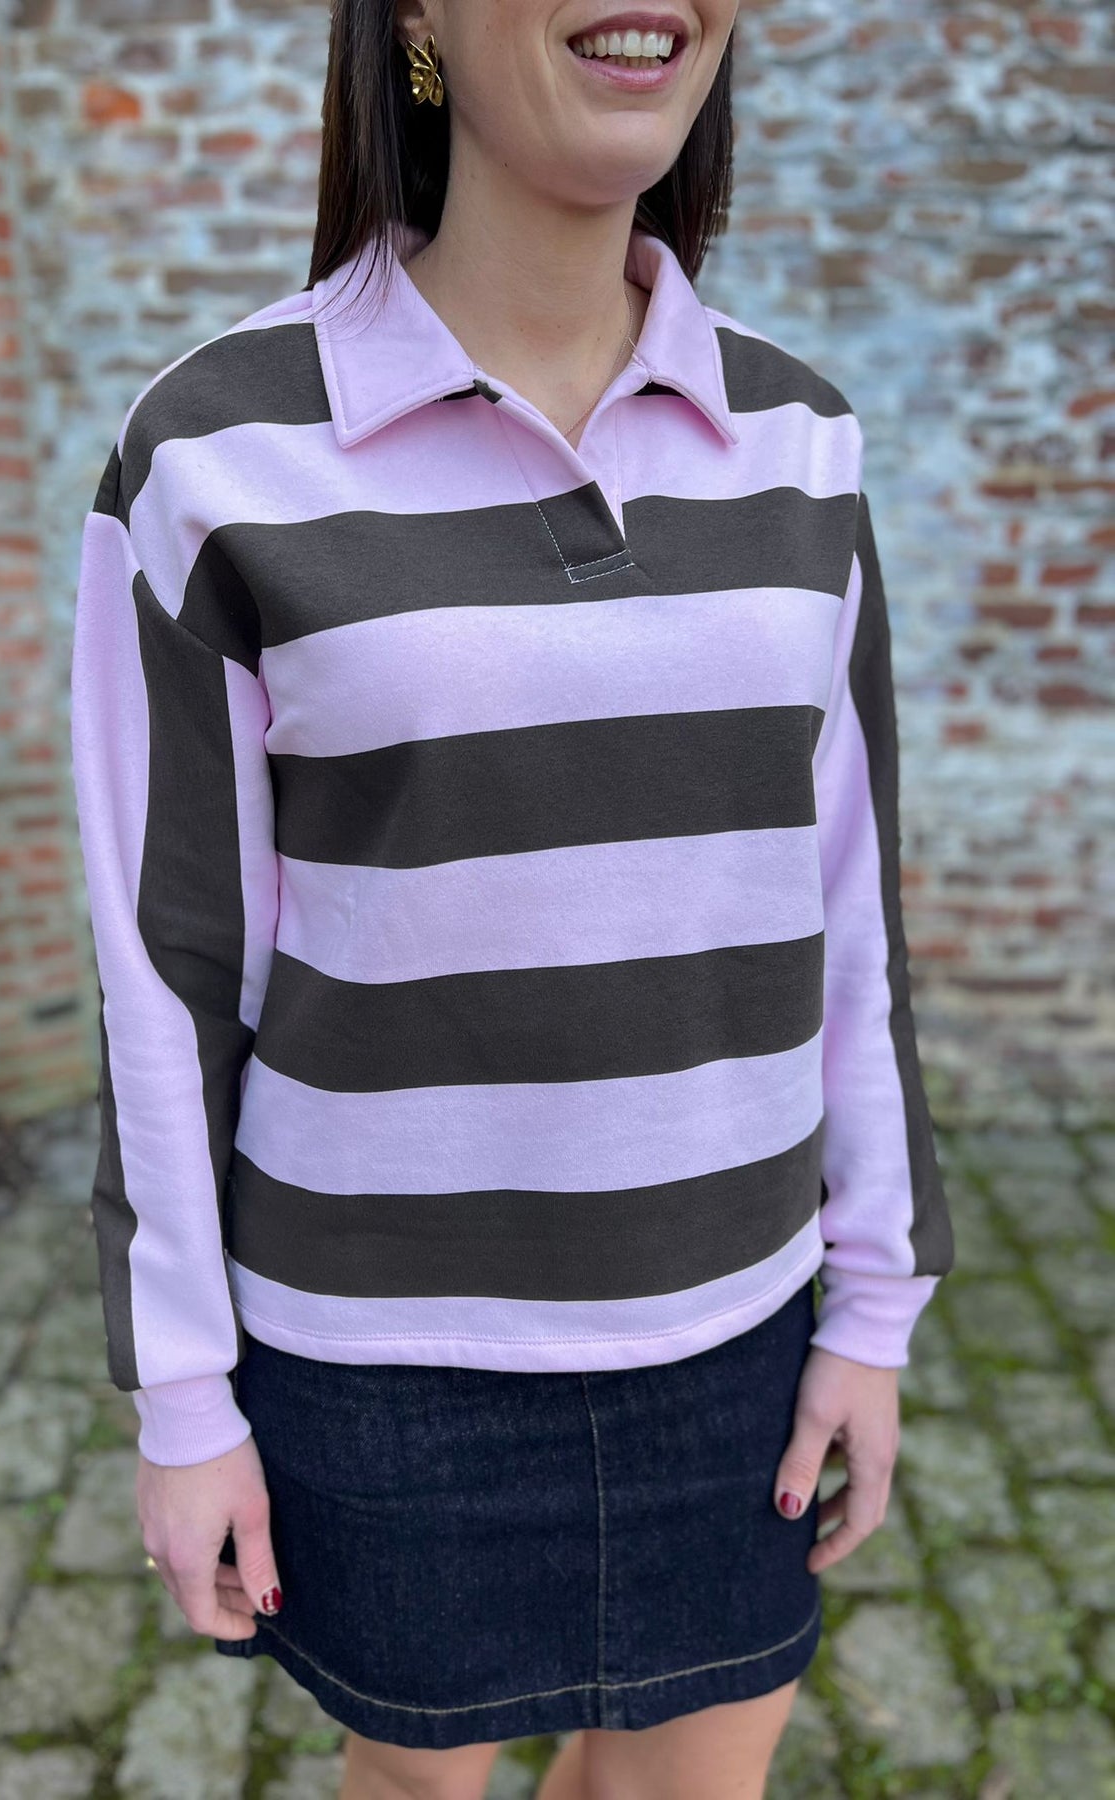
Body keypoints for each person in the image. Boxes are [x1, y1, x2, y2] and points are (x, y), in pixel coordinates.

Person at [68, 2, 956, 1795]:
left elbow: (850, 919)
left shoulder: (800, 438)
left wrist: (872, 1307)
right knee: (417, 1779)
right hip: (381, 1363)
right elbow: (166, 970)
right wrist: (182, 1399)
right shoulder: (211, 452)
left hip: (735, 1333)